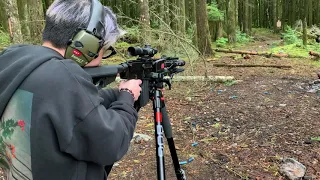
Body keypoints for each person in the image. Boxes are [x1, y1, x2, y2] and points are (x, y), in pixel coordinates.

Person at [0, 0, 142, 179]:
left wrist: (117, 94)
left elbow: (63, 109)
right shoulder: (64, 76)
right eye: (103, 50)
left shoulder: (15, 60)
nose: (101, 58)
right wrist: (127, 98)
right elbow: (112, 142)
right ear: (86, 44)